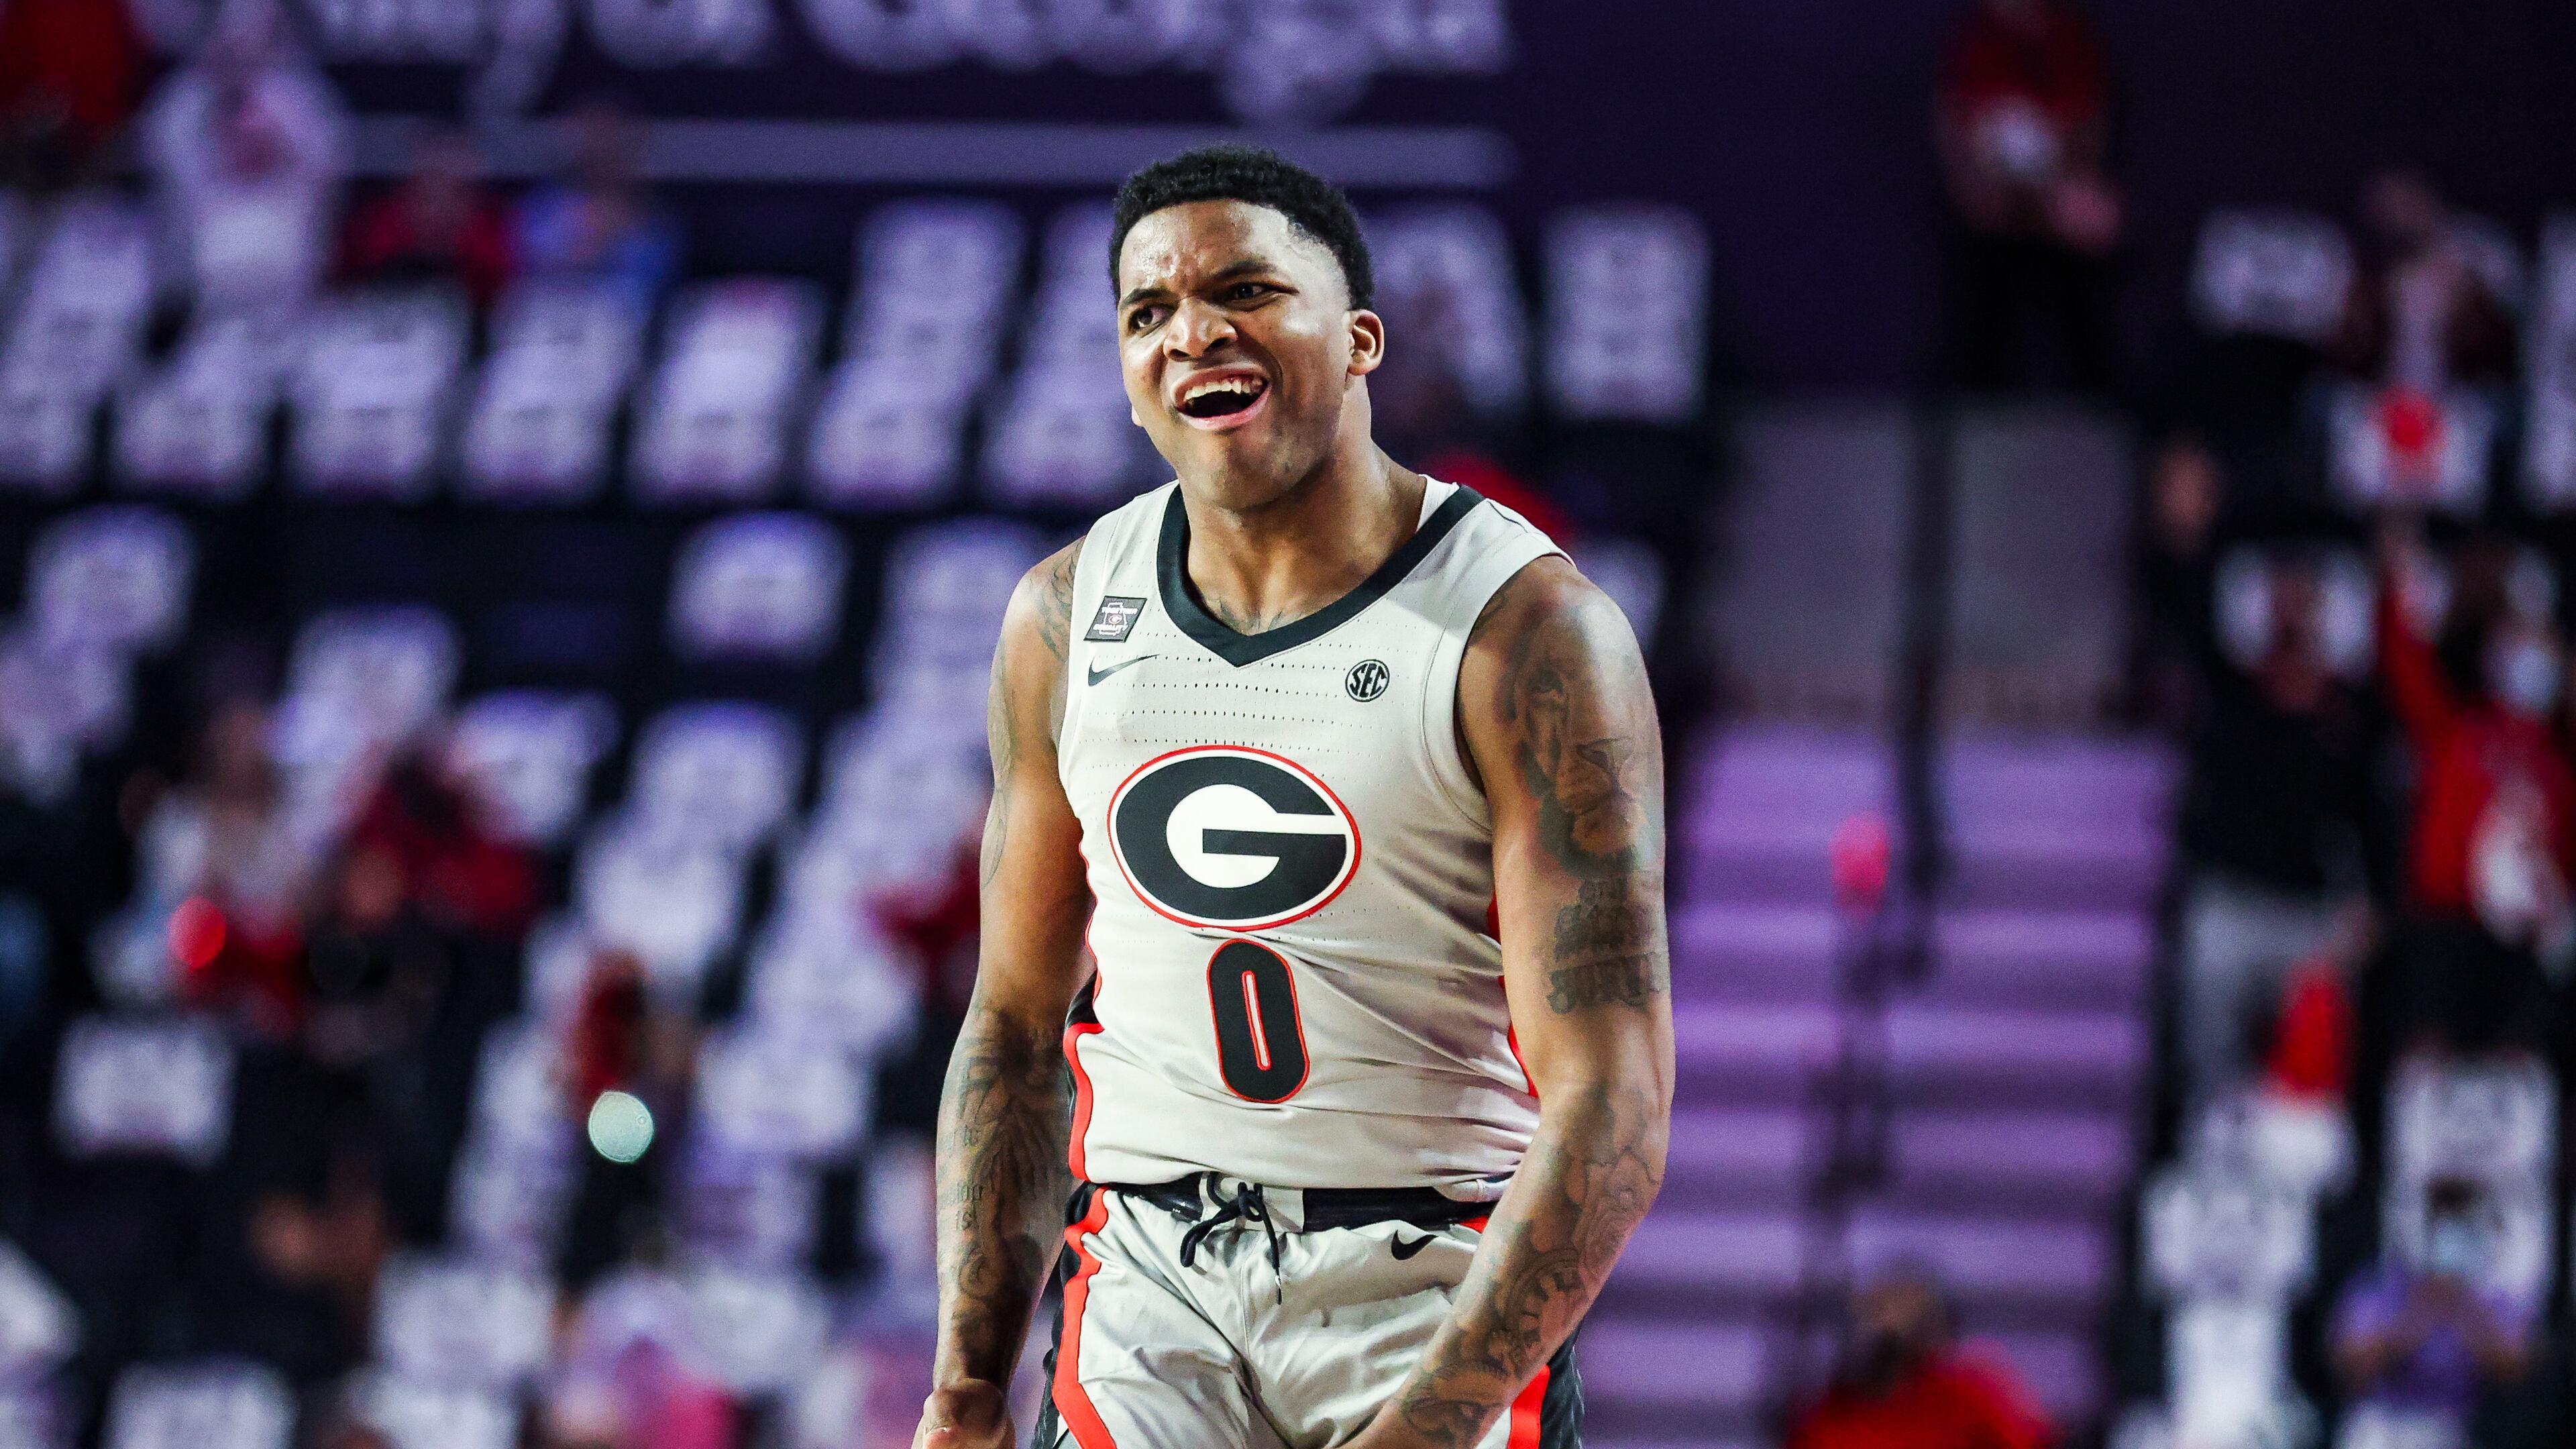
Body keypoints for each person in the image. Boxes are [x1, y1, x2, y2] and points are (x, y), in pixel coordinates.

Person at [914, 146, 1673, 1449]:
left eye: (1246, 290)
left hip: (1427, 1276)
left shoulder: (1530, 632)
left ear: (1362, 339)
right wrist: (969, 1386)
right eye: (1148, 311)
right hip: (1149, 1275)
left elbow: (1613, 1095)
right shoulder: (1063, 617)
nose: (1193, 330)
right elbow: (1014, 1027)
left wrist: (1435, 1420)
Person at [1934, 0, 2123, 393]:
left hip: (2060, 206)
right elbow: (1955, 129)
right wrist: (1983, 189)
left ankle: (2101, 419)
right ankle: (1972, 425)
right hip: (1993, 210)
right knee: (1979, 304)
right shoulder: (1978, 41)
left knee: (2088, 261)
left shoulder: (2070, 38)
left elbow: (2089, 130)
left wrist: (2061, 193)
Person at [140, 0, 348, 317]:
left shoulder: (299, 98)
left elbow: (324, 172)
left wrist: (273, 150)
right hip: (208, 257)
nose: (237, 45)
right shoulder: (182, 104)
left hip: (286, 255)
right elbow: (175, 187)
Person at [2332, 1176, 2536, 1430]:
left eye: (2460, 1223)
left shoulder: (2491, 1292)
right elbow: (2352, 1365)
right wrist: (2421, 1309)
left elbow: (2515, 1367)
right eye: (2440, 1222)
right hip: (2384, 1423)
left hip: (2453, 1426)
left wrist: (2463, 1307)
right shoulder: (2383, 1279)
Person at [1785, 1264, 2053, 1449]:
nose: (1884, 1324)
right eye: (1875, 1311)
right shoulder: (1827, 1418)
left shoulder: (1975, 1392)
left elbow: (2034, 1440)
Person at [511, 100, 681, 316]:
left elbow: (657, 279)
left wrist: (616, 240)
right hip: (548, 317)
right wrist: (580, 242)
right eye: (592, 135)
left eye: (610, 136)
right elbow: (522, 263)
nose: (600, 147)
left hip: (622, 323)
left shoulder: (651, 216)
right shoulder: (542, 206)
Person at [339, 129, 515, 314]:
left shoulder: (489, 220)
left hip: (472, 323)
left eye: (451, 179)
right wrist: (413, 235)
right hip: (381, 320)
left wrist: (453, 239)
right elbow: (352, 276)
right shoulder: (381, 216)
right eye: (433, 174)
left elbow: (499, 282)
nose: (440, 188)